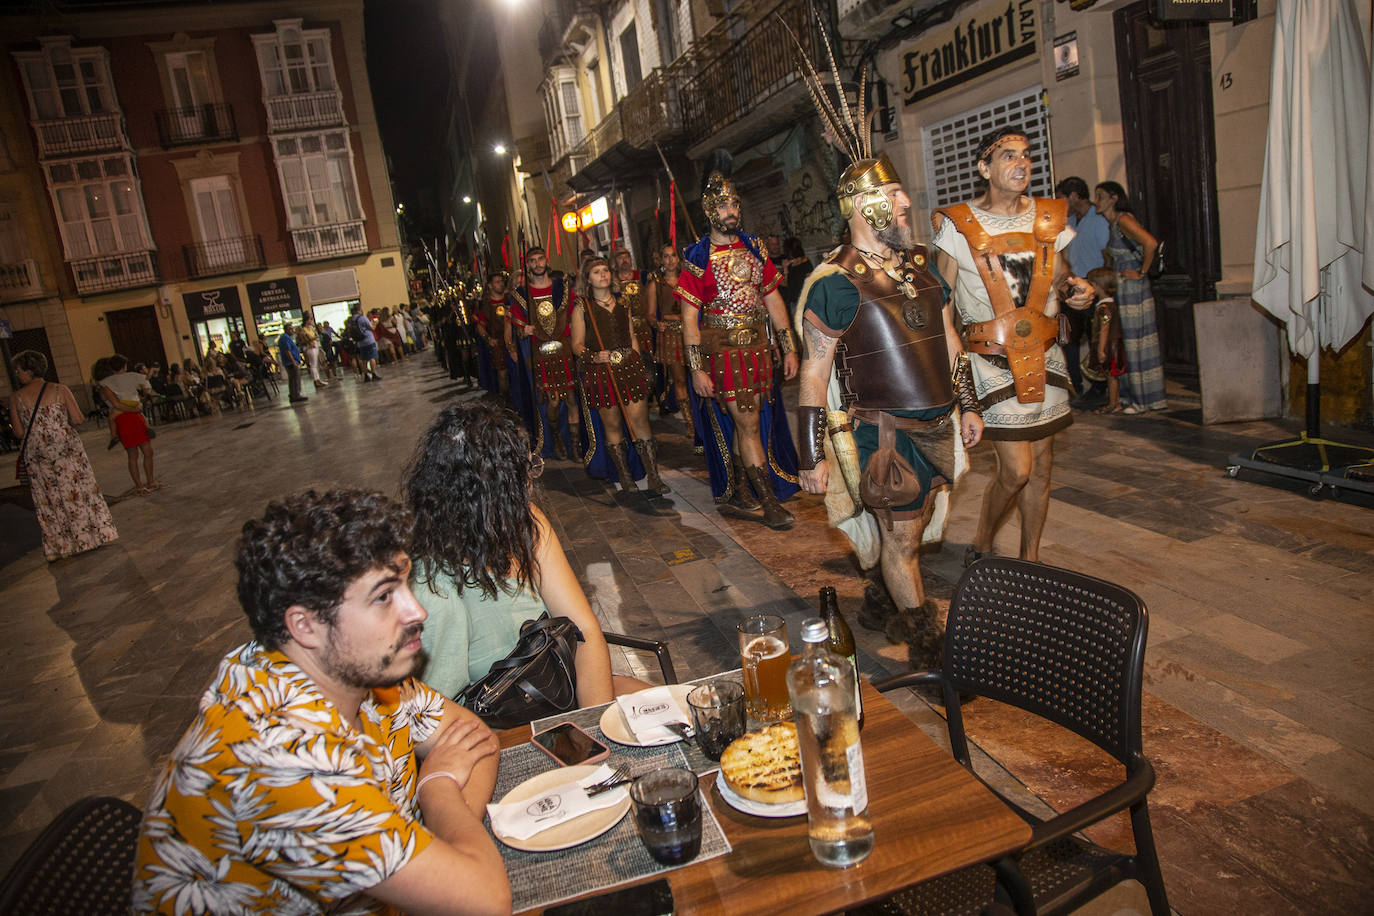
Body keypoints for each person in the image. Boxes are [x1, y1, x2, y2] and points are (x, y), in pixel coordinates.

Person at [130, 489, 511, 915]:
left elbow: (476, 740)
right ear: (305, 625)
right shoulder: (284, 759)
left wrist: (442, 864)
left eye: (406, 584)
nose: (417, 611)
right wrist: (438, 789)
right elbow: (485, 901)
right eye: (384, 596)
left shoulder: (348, 668)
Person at [789, 59, 983, 662]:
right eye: (893, 195)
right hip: (883, 435)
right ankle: (930, 648)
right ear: (861, 204)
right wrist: (810, 456)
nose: (905, 202)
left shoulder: (921, 267)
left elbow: (950, 340)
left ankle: (878, 598)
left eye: (900, 193)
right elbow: (815, 373)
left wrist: (968, 405)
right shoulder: (834, 284)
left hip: (938, 426)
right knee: (902, 540)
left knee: (916, 530)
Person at [405, 403, 650, 706]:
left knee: (673, 707)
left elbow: (583, 629)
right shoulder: (433, 587)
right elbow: (442, 712)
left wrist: (591, 720)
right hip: (504, 718)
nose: (531, 484)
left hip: (557, 686)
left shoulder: (527, 523)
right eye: (522, 473)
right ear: (485, 492)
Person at [932, 126, 1093, 565]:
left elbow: (1060, 276)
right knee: (1017, 470)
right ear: (984, 168)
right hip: (990, 363)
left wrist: (1077, 290)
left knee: (1041, 469)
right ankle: (982, 546)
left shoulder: (1048, 217)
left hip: (1046, 356)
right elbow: (941, 301)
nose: (1022, 163)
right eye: (1008, 156)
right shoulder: (958, 225)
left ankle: (1030, 561)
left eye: (1026, 155)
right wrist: (951, 367)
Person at [675, 171, 801, 529]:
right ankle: (768, 502)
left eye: (734, 204)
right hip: (722, 353)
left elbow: (772, 299)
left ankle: (739, 487)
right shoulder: (698, 257)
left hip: (757, 350)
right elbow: (689, 320)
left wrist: (788, 347)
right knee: (748, 424)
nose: (731, 211)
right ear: (709, 212)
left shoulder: (755, 248)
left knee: (748, 421)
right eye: (723, 206)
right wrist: (696, 369)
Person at [571, 255, 670, 495]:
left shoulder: (623, 303)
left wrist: (639, 364)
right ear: (588, 279)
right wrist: (594, 356)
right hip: (601, 371)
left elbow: (632, 337)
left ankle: (654, 477)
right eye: (597, 272)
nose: (603, 275)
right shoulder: (582, 308)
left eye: (605, 270)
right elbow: (576, 345)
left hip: (629, 367)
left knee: (641, 422)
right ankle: (625, 477)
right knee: (613, 425)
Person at [9, 350, 118, 560]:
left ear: (29, 371)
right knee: (78, 489)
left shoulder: (16, 397)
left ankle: (60, 545)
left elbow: (19, 432)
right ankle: (89, 537)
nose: (17, 374)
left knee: (48, 498)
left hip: (37, 451)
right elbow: (77, 418)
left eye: (19, 370)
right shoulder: (60, 389)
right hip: (65, 447)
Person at [1095, 180, 1168, 413]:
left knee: (1137, 342)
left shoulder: (1123, 220)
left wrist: (1141, 273)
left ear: (1114, 198)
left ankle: (1143, 399)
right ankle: (1132, 397)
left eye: (1100, 196)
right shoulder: (1112, 224)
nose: (1096, 201)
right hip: (1124, 288)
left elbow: (1150, 243)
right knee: (1127, 341)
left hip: (1133, 289)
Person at [510, 246, 579, 459]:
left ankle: (575, 446)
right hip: (541, 355)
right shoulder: (521, 295)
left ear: (546, 260)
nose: (537, 264)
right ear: (527, 264)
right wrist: (524, 330)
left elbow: (576, 316)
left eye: (540, 259)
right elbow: (518, 329)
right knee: (553, 401)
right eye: (533, 260)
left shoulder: (562, 289)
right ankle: (557, 438)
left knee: (572, 399)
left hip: (565, 350)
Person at [1056, 176, 1111, 400]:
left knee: (1097, 339)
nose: (1059, 204)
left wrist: (1104, 288)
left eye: (1061, 199)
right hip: (1072, 288)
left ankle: (1100, 389)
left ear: (1073, 196)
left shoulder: (1098, 219)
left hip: (1094, 287)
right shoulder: (1069, 222)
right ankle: (1075, 386)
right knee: (1068, 339)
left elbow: (1107, 255)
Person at [646, 243, 698, 451]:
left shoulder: (689, 278)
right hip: (670, 334)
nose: (670, 260)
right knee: (679, 379)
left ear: (679, 258)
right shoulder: (656, 284)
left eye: (673, 255)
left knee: (697, 374)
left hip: (691, 331)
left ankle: (700, 417)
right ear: (661, 259)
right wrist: (656, 323)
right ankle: (690, 423)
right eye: (666, 256)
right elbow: (650, 314)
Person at [100, 355, 162, 495]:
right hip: (132, 415)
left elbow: (114, 403)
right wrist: (135, 408)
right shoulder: (130, 377)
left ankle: (142, 485)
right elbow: (146, 382)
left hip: (124, 418)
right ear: (124, 366)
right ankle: (148, 482)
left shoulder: (106, 382)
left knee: (135, 454)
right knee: (144, 451)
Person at [1082, 267, 1127, 414]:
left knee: (1111, 376)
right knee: (1112, 376)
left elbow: (1104, 329)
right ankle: (1115, 401)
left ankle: (1113, 403)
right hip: (1114, 344)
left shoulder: (1104, 307)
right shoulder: (1111, 304)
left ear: (1097, 286)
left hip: (1109, 345)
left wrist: (1101, 350)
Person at [475, 272, 512, 397]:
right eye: (497, 282)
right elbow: (480, 326)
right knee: (502, 374)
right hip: (498, 341)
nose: (501, 284)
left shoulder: (509, 299)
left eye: (502, 281)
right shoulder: (486, 304)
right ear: (490, 286)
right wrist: (488, 339)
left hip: (513, 339)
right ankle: (505, 399)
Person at [778, 237, 814, 309]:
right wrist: (785, 269)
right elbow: (785, 284)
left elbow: (811, 282)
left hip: (804, 300)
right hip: (793, 300)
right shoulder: (790, 264)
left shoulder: (805, 263)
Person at [276, 321, 308, 404]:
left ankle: (294, 394)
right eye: (290, 329)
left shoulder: (287, 337)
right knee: (295, 378)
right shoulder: (285, 338)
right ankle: (296, 395)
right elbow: (287, 351)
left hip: (293, 361)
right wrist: (293, 362)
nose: (292, 330)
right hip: (290, 362)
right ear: (286, 329)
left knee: (293, 378)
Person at [350, 301, 381, 382]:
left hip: (360, 342)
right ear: (359, 310)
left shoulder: (352, 319)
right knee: (372, 357)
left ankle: (366, 375)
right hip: (368, 340)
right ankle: (373, 374)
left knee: (364, 359)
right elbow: (372, 328)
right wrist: (375, 323)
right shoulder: (362, 318)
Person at [298, 318, 328, 389]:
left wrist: (312, 338)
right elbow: (307, 339)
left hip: (315, 345)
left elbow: (316, 335)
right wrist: (312, 338)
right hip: (310, 347)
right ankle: (316, 380)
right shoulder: (303, 330)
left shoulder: (311, 328)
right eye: (310, 319)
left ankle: (318, 379)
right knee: (313, 365)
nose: (311, 321)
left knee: (316, 364)